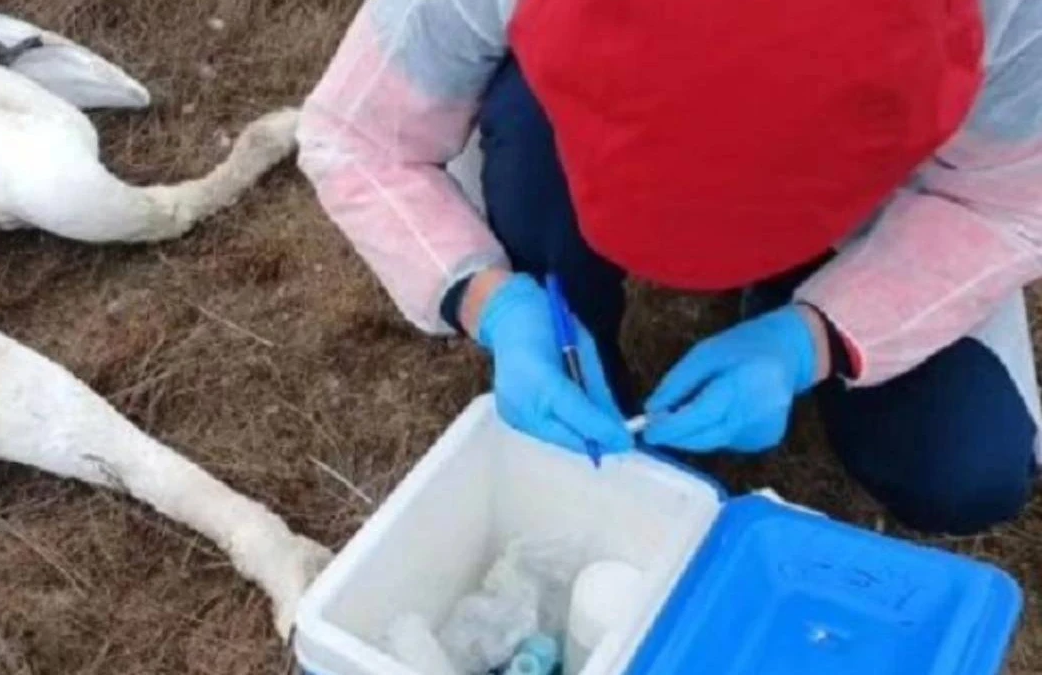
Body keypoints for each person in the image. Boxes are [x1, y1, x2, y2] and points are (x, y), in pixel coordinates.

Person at [297, 0, 1042, 534]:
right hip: (570, 119)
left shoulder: (1005, 15)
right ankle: (568, 324)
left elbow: (1009, 201)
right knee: (525, 138)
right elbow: (353, 136)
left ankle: (796, 275)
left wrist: (816, 335)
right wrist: (489, 301)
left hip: (882, 178)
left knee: (963, 466)